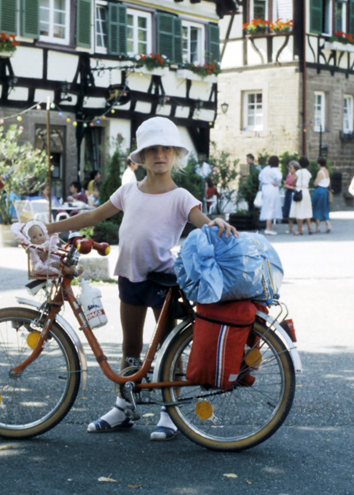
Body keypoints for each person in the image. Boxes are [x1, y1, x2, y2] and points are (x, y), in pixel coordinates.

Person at [46, 117, 238, 442]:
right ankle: (123, 406)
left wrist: (215, 221)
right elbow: (93, 215)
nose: (159, 154)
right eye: (151, 149)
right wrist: (48, 229)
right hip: (129, 278)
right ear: (141, 156)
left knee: (165, 348)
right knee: (130, 346)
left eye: (165, 149)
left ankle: (169, 411)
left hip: (164, 282)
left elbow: (202, 222)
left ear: (174, 154)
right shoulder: (127, 191)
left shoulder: (181, 197)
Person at [258, 155, 283, 235]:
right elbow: (279, 177)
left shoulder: (265, 169)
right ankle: (268, 228)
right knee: (271, 207)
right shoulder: (275, 170)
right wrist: (277, 183)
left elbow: (260, 178)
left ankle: (270, 227)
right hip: (272, 188)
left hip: (265, 188)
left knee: (267, 207)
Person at [289, 158, 313, 236]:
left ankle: (300, 229)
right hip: (306, 191)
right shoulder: (309, 173)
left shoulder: (298, 172)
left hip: (299, 191)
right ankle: (309, 228)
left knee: (299, 210)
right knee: (307, 210)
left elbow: (293, 181)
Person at [311, 157, 332, 234]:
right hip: (325, 190)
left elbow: (316, 183)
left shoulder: (320, 172)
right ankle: (328, 224)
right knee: (325, 208)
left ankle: (318, 226)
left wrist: (314, 183)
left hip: (319, 190)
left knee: (317, 208)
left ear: (319, 164)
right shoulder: (327, 171)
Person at [282, 163, 297, 233]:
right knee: (288, 210)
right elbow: (286, 183)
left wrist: (289, 187)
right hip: (288, 193)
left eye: (291, 167)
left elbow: (297, 186)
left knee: (294, 209)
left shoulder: (296, 176)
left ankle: (299, 226)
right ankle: (290, 227)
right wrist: (285, 186)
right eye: (289, 167)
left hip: (293, 193)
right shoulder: (289, 175)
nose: (289, 169)